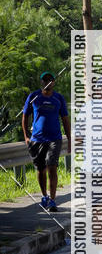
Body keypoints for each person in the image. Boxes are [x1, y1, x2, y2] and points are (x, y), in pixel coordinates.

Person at [22, 71, 71, 212]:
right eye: (45, 80)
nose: (47, 82)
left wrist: (69, 138)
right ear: (41, 82)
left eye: (50, 79)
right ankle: (44, 196)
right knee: (41, 170)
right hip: (37, 139)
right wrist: (26, 136)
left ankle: (53, 200)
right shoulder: (33, 97)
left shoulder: (58, 98)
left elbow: (65, 120)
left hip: (54, 138)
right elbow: (25, 116)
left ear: (54, 82)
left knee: (52, 167)